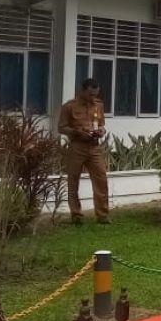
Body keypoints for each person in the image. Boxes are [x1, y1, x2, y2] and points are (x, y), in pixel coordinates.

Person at [58, 79, 110, 225]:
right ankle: (76, 215)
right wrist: (77, 132)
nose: (92, 97)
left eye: (95, 94)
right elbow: (61, 128)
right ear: (83, 91)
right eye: (90, 94)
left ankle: (103, 215)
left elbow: (101, 125)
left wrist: (101, 131)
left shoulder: (98, 105)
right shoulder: (69, 106)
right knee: (73, 181)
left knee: (101, 179)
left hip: (94, 147)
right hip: (77, 146)